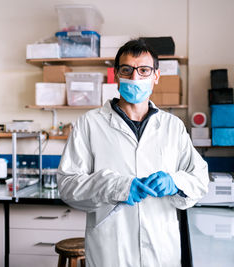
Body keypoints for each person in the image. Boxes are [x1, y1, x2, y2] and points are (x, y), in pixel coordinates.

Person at [57, 38, 209, 267]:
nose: (135, 77)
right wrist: (118, 187)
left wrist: (175, 182)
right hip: (111, 252)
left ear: (156, 76)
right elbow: (68, 185)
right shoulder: (89, 124)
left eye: (144, 70)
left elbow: (199, 179)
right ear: (116, 75)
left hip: (161, 252)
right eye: (127, 70)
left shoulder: (172, 126)